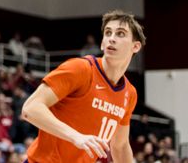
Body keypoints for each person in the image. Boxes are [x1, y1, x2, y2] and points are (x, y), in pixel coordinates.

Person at [21, 10, 145, 162]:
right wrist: (76, 137)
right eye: (108, 33)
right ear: (102, 43)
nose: (112, 39)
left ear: (136, 46)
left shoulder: (129, 93)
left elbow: (120, 145)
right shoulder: (81, 69)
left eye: (120, 34)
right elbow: (30, 109)